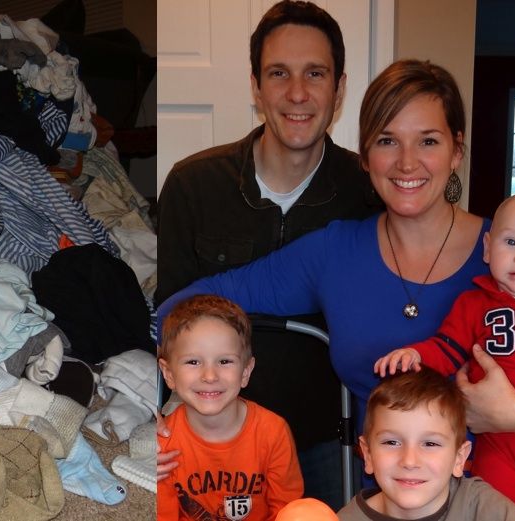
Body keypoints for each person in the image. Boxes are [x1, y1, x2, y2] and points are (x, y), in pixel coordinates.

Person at [157, 59, 515, 520]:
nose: (407, 162)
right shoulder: (334, 253)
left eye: (428, 140)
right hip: (389, 503)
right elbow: (182, 306)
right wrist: (171, 403)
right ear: (365, 156)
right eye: (387, 141)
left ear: (456, 150)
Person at [156, 1, 381, 508]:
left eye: (315, 74)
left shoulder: (367, 191)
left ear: (339, 88)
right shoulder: (194, 185)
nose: (297, 93)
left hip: (325, 436)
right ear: (256, 87)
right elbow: (167, 320)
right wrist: (151, 419)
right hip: (210, 433)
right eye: (279, 73)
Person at [375, 191, 515, 519]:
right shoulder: (474, 304)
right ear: (488, 248)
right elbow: (445, 348)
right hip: (500, 447)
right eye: (510, 243)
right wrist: (413, 354)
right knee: (495, 508)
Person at [156, 294, 304, 520]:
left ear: (245, 372)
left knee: (311, 513)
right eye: (193, 362)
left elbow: (288, 510)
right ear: (169, 374)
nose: (209, 376)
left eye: (224, 361)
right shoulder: (163, 443)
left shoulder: (273, 431)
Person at [338, 368, 515, 520]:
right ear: (368, 454)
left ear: (459, 458)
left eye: (430, 444)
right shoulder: (344, 518)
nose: (409, 461)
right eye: (392, 442)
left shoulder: (478, 505)